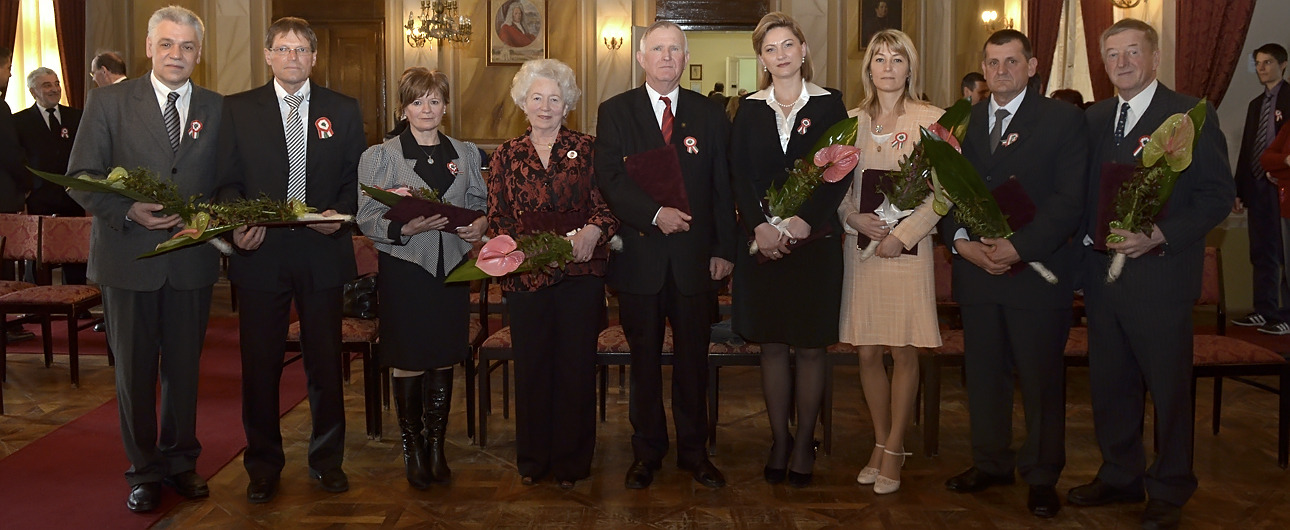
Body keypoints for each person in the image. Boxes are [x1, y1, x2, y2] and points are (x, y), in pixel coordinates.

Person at [1067, 19, 1235, 530]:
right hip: (1102, 280)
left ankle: (1170, 486)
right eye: (1112, 54)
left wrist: (1159, 235)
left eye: (1133, 51)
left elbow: (1217, 196)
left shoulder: (1189, 115)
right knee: (1111, 385)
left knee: (1168, 391)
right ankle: (1120, 474)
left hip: (1160, 278)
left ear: (1155, 57)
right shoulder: (1094, 118)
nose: (1122, 63)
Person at [66, 5, 222, 513]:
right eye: (167, 44)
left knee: (184, 370)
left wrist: (213, 217)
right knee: (133, 375)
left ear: (199, 53)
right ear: (149, 47)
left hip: (191, 260)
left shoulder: (217, 108)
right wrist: (127, 209)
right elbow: (81, 176)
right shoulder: (108, 102)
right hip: (128, 258)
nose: (177, 54)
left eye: (187, 46)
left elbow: (229, 179)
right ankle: (144, 471)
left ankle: (181, 462)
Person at [214, 17, 365, 503]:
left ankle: (327, 460)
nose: (292, 57)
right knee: (260, 366)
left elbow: (355, 179)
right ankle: (262, 465)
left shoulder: (343, 108)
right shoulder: (237, 109)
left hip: (322, 252)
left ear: (314, 57)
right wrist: (238, 225)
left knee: (325, 364)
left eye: (301, 49)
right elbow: (225, 182)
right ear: (267, 55)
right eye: (283, 48)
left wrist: (342, 217)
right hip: (261, 253)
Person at [938, 29, 1087, 519]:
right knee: (984, 377)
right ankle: (991, 462)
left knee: (1041, 381)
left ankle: (1042, 475)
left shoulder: (1062, 119)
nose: (1001, 71)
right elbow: (946, 191)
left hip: (1036, 272)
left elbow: (1070, 199)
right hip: (978, 271)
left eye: (1011, 61)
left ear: (1032, 65)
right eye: (993, 62)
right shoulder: (964, 121)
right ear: (983, 69)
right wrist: (960, 242)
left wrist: (1017, 247)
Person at [596, 20, 737, 490]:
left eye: (674, 49)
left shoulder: (710, 114)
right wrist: (655, 215)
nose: (666, 57)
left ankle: (695, 453)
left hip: (696, 262)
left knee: (693, 364)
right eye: (657, 49)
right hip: (640, 259)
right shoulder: (616, 112)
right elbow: (610, 179)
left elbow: (723, 186)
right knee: (643, 364)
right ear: (641, 57)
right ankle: (647, 453)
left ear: (686, 57)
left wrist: (724, 249)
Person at [727, 11, 848, 489]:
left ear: (803, 50)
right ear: (762, 59)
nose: (780, 55)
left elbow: (839, 172)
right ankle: (780, 440)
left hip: (814, 245)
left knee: (812, 348)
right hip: (762, 246)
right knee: (773, 347)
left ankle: (804, 445)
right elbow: (739, 175)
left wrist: (804, 221)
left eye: (788, 45)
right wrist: (759, 227)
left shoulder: (830, 105)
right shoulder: (748, 109)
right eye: (770, 49)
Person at [488, 58, 618, 489]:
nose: (545, 107)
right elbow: (498, 217)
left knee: (576, 368)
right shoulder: (506, 154)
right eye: (537, 98)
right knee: (532, 369)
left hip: (580, 273)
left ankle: (572, 463)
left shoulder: (590, 148)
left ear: (568, 104)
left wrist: (594, 231)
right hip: (526, 276)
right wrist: (523, 249)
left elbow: (609, 206)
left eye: (555, 99)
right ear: (523, 103)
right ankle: (533, 461)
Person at [358, 66, 486, 490]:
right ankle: (412, 447)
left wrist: (480, 225)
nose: (426, 109)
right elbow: (367, 217)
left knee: (445, 353)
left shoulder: (465, 153)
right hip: (406, 268)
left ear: (446, 106)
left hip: (451, 268)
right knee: (410, 357)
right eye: (417, 101)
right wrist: (404, 228)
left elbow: (479, 202)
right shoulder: (381, 156)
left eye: (434, 100)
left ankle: (436, 446)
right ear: (404, 108)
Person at [837, 29, 943, 495]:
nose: (887, 67)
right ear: (868, 68)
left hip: (907, 253)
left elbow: (945, 192)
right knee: (866, 351)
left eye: (896, 59)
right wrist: (852, 218)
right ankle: (880, 442)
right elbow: (838, 190)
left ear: (909, 68)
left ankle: (896, 448)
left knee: (903, 350)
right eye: (879, 59)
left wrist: (903, 235)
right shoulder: (850, 122)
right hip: (861, 251)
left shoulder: (931, 119)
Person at [1232, 43, 1290, 335]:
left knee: (1285, 252)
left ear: (1283, 64)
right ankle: (1264, 310)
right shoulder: (1256, 104)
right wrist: (1239, 189)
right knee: (1261, 250)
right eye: (1258, 63)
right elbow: (1247, 148)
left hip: (1282, 185)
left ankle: (1286, 314)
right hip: (1257, 185)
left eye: (1267, 62)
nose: (1262, 68)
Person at [13, 67, 86, 286]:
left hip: (72, 196)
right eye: (47, 85)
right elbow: (17, 160)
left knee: (75, 253)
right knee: (38, 255)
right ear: (33, 91)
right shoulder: (19, 121)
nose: (54, 89)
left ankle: (76, 296)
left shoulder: (76, 116)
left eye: (56, 83)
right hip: (38, 197)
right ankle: (37, 297)